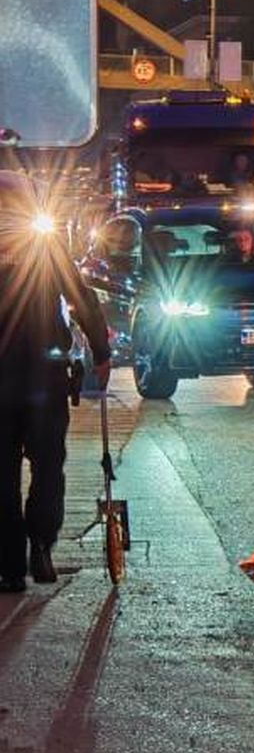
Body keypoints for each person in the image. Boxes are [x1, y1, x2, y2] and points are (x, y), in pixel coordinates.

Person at [0, 171, 110, 592]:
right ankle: (41, 546)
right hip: (44, 377)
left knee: (1, 475)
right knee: (48, 467)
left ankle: (9, 566)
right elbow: (81, 297)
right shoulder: (44, 245)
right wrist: (101, 352)